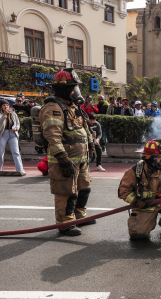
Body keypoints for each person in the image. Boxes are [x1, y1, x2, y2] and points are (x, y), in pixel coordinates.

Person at [39, 68, 96, 236]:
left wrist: (91, 146)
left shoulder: (73, 107)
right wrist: (62, 158)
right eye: (73, 88)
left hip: (81, 159)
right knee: (66, 192)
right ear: (63, 89)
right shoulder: (53, 108)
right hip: (64, 160)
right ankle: (65, 223)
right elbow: (53, 136)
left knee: (84, 188)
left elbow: (84, 128)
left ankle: (79, 216)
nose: (75, 91)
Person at [0, 99, 26, 175]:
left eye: (7, 105)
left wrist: (16, 127)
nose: (6, 107)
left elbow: (17, 123)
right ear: (1, 107)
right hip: (3, 134)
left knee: (16, 152)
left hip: (12, 133)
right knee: (0, 152)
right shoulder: (1, 114)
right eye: (4, 105)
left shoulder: (13, 113)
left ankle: (20, 170)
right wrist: (4, 116)